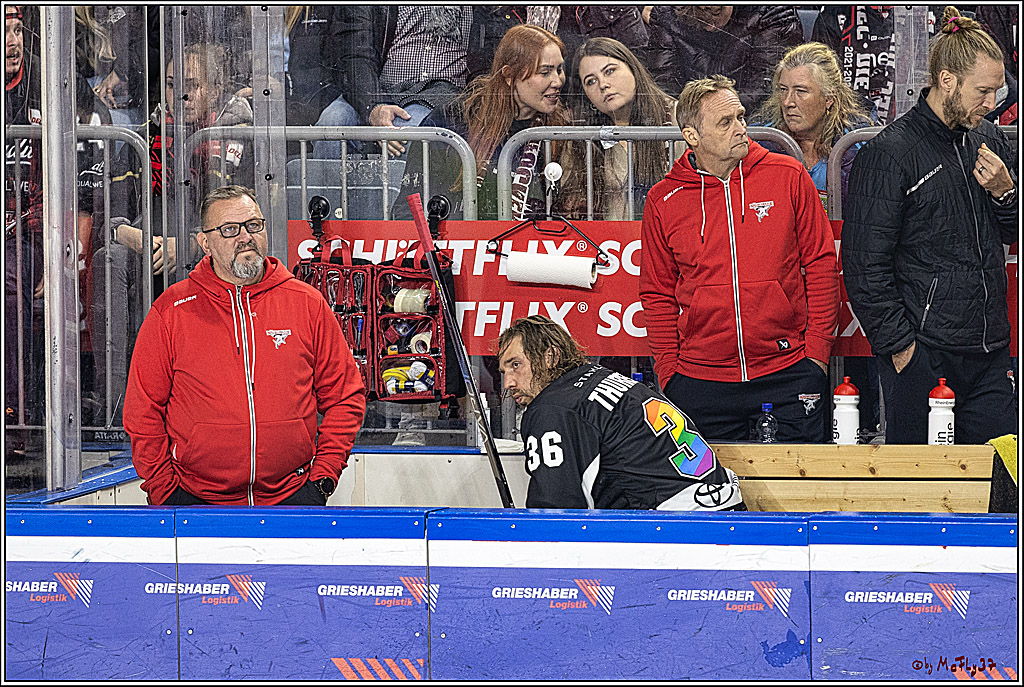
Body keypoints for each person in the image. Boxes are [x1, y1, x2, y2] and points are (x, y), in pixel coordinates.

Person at [123, 186, 366, 506]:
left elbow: (345, 396)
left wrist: (322, 478)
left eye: (253, 225)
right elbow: (142, 411)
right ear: (205, 242)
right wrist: (164, 489)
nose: (245, 237)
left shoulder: (307, 303)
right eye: (229, 229)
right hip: (193, 502)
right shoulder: (171, 310)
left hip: (294, 498)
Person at [842, 7, 1017, 446]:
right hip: (923, 354)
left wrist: (1006, 193)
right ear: (947, 81)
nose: (992, 104)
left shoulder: (989, 139)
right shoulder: (888, 154)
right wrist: (902, 349)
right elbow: (864, 267)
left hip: (990, 352)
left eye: (996, 91)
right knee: (919, 482)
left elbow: (1012, 233)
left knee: (1003, 477)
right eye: (983, 91)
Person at [640, 75, 840, 443]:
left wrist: (816, 355)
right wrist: (670, 373)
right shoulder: (663, 199)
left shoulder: (788, 176)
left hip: (789, 369)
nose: (740, 128)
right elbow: (657, 293)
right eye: (725, 122)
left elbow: (821, 265)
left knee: (801, 481)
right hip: (699, 379)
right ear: (692, 136)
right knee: (703, 482)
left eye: (741, 117)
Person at [89, 42, 254, 426]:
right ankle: (117, 409)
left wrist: (192, 245)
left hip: (206, 250)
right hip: (148, 244)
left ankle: (196, 407)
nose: (180, 94)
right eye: (170, 84)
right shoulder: (145, 136)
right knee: (107, 259)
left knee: (202, 270)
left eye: (191, 85)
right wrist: (129, 235)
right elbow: (109, 210)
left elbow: (243, 220)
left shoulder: (238, 135)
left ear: (215, 89)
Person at [497, 315, 744, 510]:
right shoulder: (599, 378)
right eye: (503, 371)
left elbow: (554, 511)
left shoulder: (553, 409)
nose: (508, 382)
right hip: (724, 507)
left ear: (550, 357)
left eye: (516, 365)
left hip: (681, 528)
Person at [394, 23, 570, 221]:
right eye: (545, 72)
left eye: (560, 70)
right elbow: (410, 209)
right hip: (460, 240)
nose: (558, 81)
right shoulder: (451, 120)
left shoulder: (563, 130)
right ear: (509, 75)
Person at [559, 37, 682, 220]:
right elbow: (571, 209)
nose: (603, 85)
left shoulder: (677, 116)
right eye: (591, 81)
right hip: (606, 237)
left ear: (632, 68)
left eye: (610, 71)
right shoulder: (580, 140)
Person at [330, 6, 474, 160]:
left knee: (406, 133)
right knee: (332, 121)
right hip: (380, 86)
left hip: (441, 91)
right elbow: (354, 50)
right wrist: (374, 106)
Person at [756, 42, 875, 207]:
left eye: (800, 91)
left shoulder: (858, 147)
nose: (787, 102)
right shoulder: (762, 142)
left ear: (828, 98)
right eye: (783, 90)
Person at [646, 5, 803, 113]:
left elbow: (768, 85)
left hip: (752, 120)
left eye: (716, 13)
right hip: (692, 120)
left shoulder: (772, 11)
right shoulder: (666, 13)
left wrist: (716, 111)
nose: (711, 27)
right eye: (699, 19)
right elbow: (663, 81)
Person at [5, 4, 43, 430]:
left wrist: (57, 254)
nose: (13, 42)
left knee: (9, 286)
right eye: (5, 31)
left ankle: (13, 415)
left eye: (18, 30)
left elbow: (71, 179)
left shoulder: (43, 80)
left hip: (25, 235)